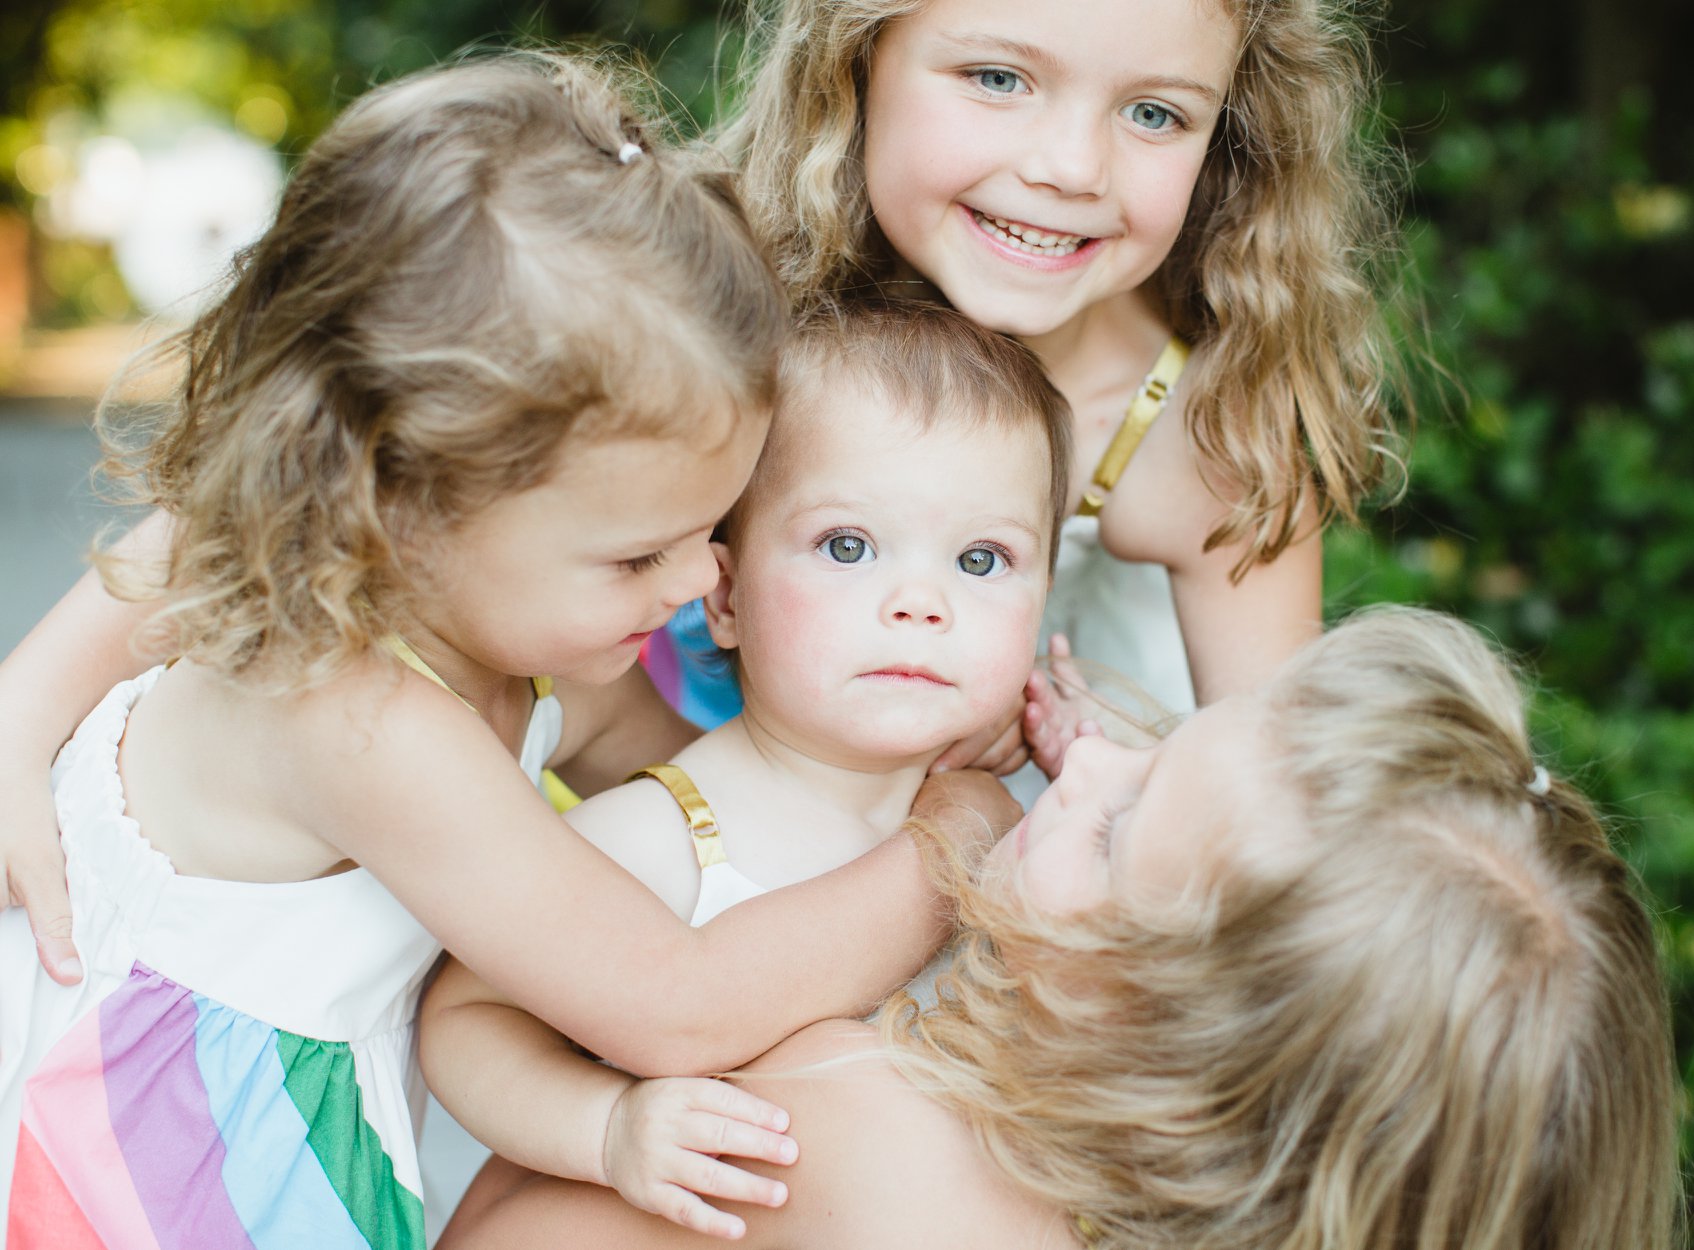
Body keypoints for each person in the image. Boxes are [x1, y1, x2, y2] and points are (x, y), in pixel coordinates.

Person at [0, 54, 1009, 1244]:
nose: (699, 581)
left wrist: (883, 736)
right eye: (638, 556)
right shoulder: (355, 715)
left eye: (710, 531)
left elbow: (735, 793)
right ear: (406, 509)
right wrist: (955, 836)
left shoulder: (528, 649)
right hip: (148, 1179)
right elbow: (673, 1003)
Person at [437, 607, 1684, 1250]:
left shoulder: (867, 1129)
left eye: (1118, 821)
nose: (1079, 766)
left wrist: (951, 834)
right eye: (1152, 745)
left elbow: (488, 1226)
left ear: (1176, 1056)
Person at [421, 299, 1076, 1240]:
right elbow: (466, 1017)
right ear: (724, 598)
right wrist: (605, 1127)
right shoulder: (672, 828)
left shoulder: (1025, 808)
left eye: (982, 559)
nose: (921, 601)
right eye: (847, 547)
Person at [687, 0, 1400, 733]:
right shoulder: (707, 335)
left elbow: (1275, 783)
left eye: (1153, 114)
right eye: (998, 78)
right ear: (854, 61)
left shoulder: (1209, 440)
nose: (1072, 168)